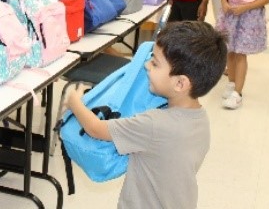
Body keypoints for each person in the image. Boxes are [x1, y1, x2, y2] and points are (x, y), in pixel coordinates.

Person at [66, 21, 227, 209]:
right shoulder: (201, 119)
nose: (146, 65)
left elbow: (95, 128)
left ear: (180, 84)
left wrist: (75, 101)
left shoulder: (154, 124)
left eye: (155, 63)